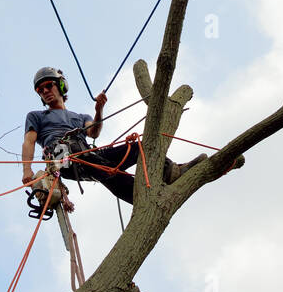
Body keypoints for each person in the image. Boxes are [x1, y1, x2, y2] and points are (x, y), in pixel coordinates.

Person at [21, 66, 206, 205]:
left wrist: (99, 110)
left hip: (86, 153)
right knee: (93, 161)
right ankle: (139, 194)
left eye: (48, 85)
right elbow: (29, 142)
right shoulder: (36, 116)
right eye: (40, 90)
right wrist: (26, 170)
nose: (45, 91)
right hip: (60, 155)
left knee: (136, 148)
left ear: (61, 85)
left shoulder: (79, 118)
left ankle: (170, 173)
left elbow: (93, 131)